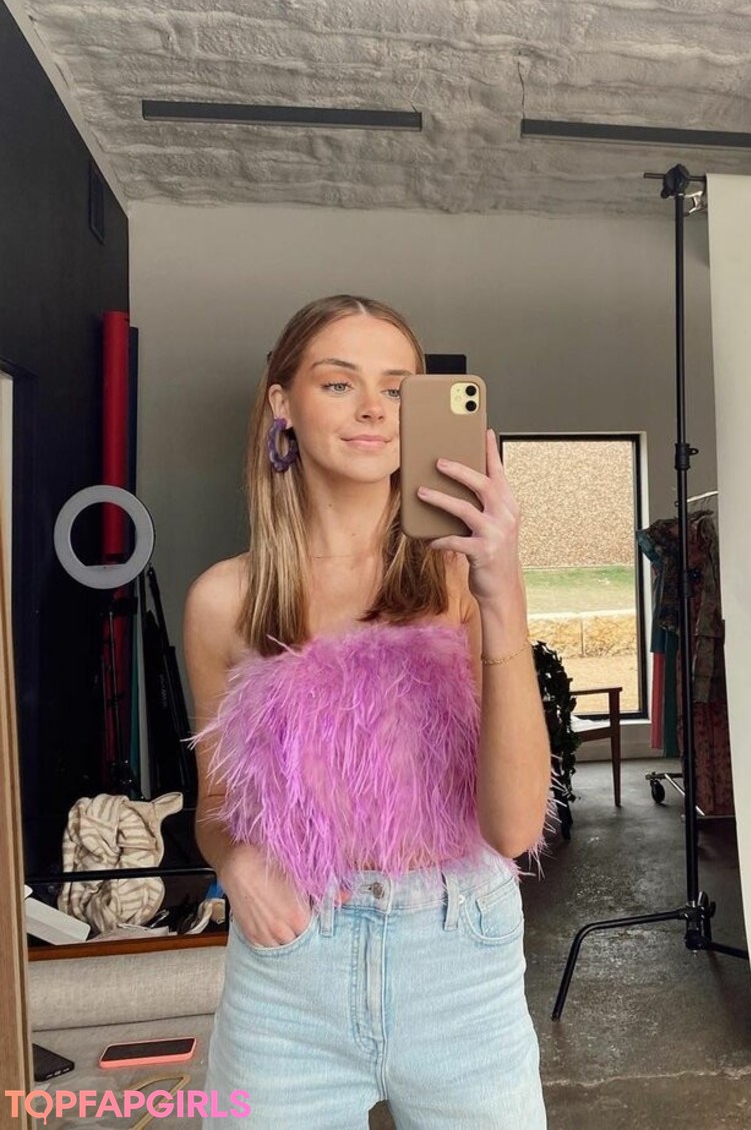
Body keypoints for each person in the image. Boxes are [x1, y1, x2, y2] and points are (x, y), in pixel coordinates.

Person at [183, 294, 554, 1128]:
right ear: (282, 402)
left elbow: (514, 828)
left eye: (396, 388)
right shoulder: (223, 601)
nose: (373, 409)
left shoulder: (464, 579)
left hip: (460, 962)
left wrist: (503, 593)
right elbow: (216, 806)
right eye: (338, 382)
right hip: (290, 977)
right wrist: (235, 865)